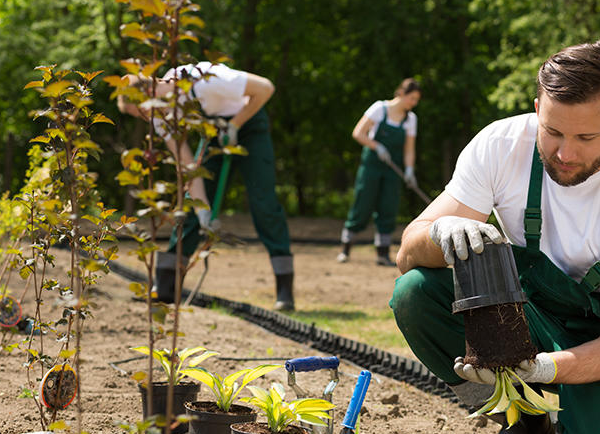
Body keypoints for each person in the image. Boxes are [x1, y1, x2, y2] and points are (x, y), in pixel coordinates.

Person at [389, 41, 600, 434]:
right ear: (537, 109)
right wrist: (440, 232)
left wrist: (544, 368)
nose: (565, 153)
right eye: (553, 132)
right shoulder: (501, 145)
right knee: (415, 293)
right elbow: (407, 254)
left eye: (586, 138)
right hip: (535, 311)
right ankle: (524, 427)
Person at [118, 62, 295, 311]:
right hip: (214, 132)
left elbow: (265, 88)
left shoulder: (207, 79)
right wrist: (203, 213)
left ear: (148, 95)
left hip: (250, 125)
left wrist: (235, 124)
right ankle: (166, 287)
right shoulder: (160, 115)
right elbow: (187, 165)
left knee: (263, 202)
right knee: (192, 207)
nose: (146, 119)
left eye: (141, 113)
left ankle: (284, 290)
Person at [337, 78, 421, 266]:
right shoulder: (379, 109)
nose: (413, 103)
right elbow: (358, 133)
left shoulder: (411, 119)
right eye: (412, 98)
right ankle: (345, 249)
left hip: (392, 169)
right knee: (363, 204)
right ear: (401, 93)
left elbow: (409, 149)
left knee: (388, 207)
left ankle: (382, 254)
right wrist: (377, 147)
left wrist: (409, 170)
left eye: (416, 100)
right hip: (372, 166)